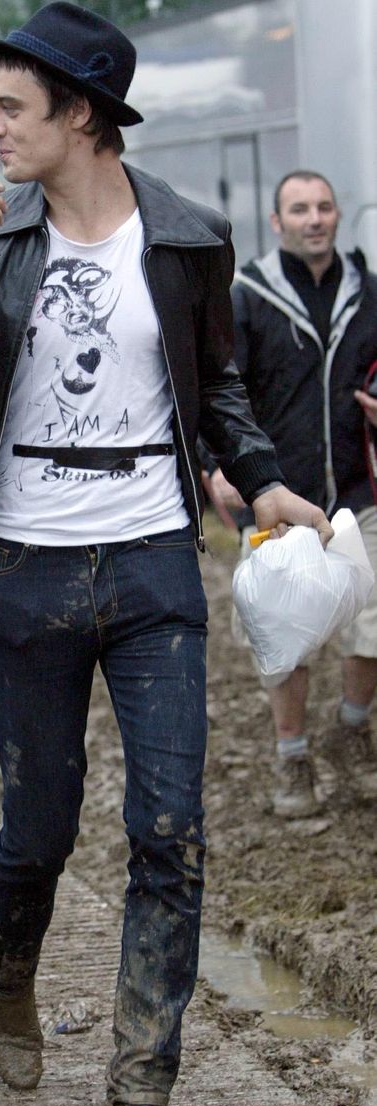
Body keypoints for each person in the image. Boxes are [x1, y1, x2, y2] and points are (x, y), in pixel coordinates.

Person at [0, 4, 330, 1106]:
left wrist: (263, 486)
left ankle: (142, 1090)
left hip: (153, 563)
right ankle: (7, 975)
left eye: (10, 105)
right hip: (26, 569)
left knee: (170, 834)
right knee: (38, 833)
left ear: (80, 114)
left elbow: (217, 391)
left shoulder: (190, 238)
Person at [206, 171, 377, 818]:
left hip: (359, 493)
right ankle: (293, 759)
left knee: (372, 624)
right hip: (276, 494)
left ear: (339, 216)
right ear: (276, 222)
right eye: (299, 209)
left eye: (325, 207)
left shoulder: (370, 293)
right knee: (286, 631)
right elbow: (214, 386)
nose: (314, 219)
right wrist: (214, 467)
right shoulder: (246, 297)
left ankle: (352, 733)